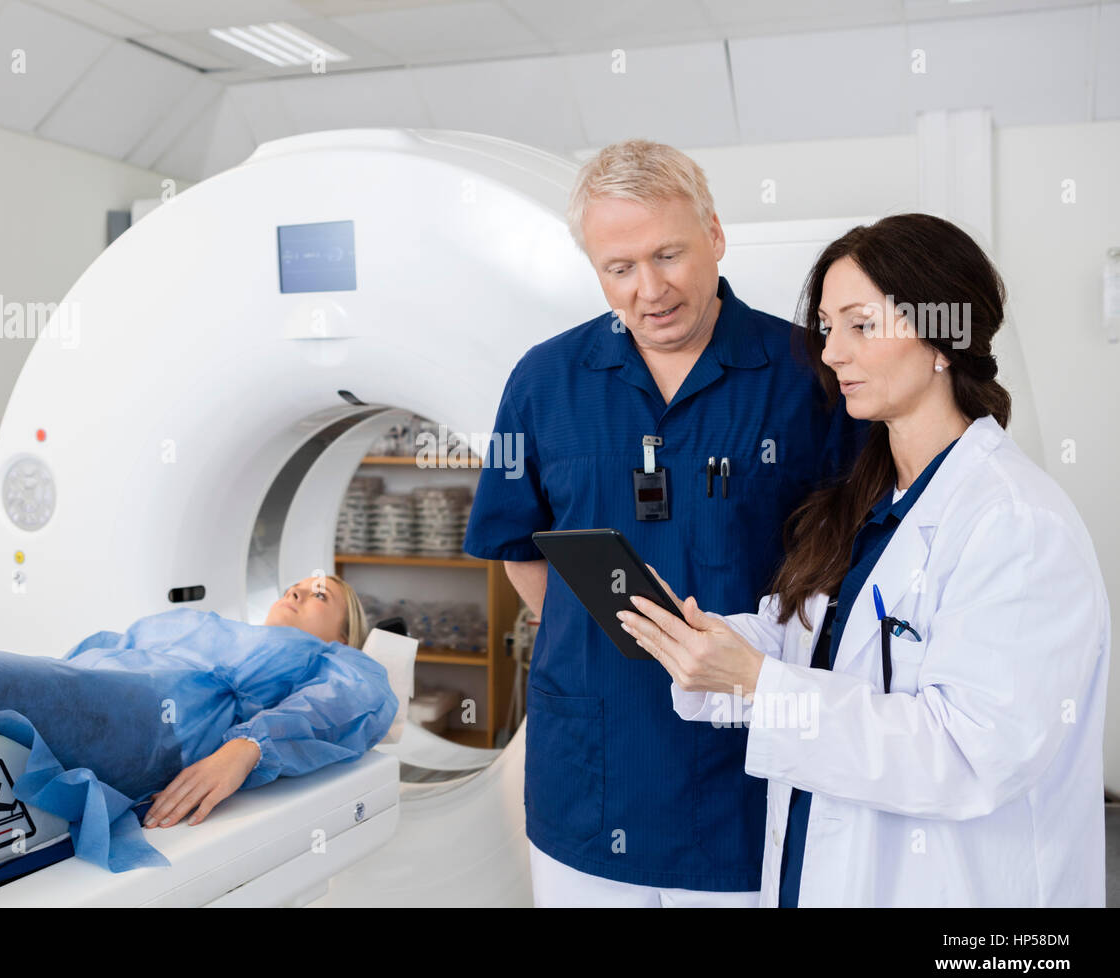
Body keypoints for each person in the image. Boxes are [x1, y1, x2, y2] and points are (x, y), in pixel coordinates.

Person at [618, 213, 1110, 906]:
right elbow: (812, 645)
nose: (831, 353)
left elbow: (968, 754)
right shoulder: (866, 501)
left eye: (861, 325)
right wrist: (710, 643)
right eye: (827, 327)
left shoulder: (1015, 523)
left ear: (943, 339)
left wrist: (761, 685)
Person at [463, 139, 867, 906]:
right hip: (591, 761)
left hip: (742, 763)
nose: (650, 289)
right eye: (619, 268)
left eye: (669, 254)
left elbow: (850, 554)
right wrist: (605, 639)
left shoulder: (809, 373)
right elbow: (516, 541)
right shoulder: (546, 380)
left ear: (714, 234)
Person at [0, 574, 397, 873]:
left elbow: (352, 702)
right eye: (299, 581)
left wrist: (246, 747)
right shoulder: (203, 623)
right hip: (89, 685)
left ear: (343, 635)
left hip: (151, 722)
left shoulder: (336, 662)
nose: (302, 587)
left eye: (323, 593)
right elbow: (98, 656)